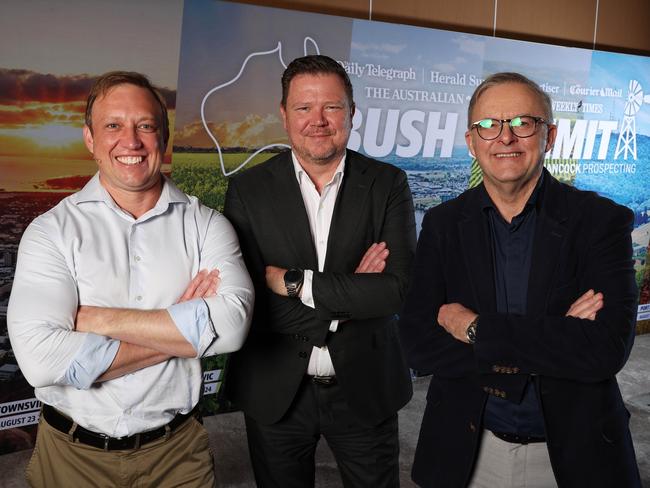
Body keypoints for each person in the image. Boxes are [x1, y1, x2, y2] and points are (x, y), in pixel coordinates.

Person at [7, 71, 254, 487]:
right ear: (90, 139)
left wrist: (96, 320)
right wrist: (183, 328)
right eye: (113, 126)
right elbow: (40, 360)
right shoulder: (51, 231)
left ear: (164, 136)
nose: (131, 141)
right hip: (70, 459)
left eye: (145, 126)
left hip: (178, 457)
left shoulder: (207, 225)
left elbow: (230, 328)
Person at [399, 72, 642, 488]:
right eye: (488, 126)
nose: (505, 138)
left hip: (573, 455)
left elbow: (605, 349)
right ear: (472, 142)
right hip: (468, 452)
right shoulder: (443, 225)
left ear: (548, 136)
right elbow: (418, 343)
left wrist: (475, 329)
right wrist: (555, 339)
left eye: (522, 123)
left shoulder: (600, 222)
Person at [223, 54, 416, 487]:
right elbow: (249, 300)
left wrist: (294, 283)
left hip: (365, 387)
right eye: (304, 108)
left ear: (352, 113)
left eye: (332, 107)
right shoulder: (248, 189)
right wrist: (352, 295)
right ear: (283, 115)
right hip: (275, 389)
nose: (319, 120)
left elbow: (395, 290)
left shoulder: (388, 183)